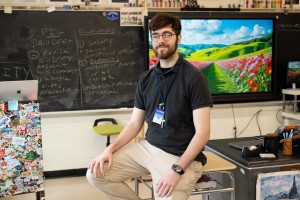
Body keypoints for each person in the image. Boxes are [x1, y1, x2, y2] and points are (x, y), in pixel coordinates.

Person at [86, 12, 213, 200]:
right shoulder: (146, 79)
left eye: (167, 34)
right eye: (156, 35)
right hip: (147, 147)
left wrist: (177, 170)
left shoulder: (194, 78)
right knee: (96, 174)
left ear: (179, 38)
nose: (161, 40)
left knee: (166, 195)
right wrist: (109, 150)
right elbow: (134, 124)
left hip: (178, 156)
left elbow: (203, 133)